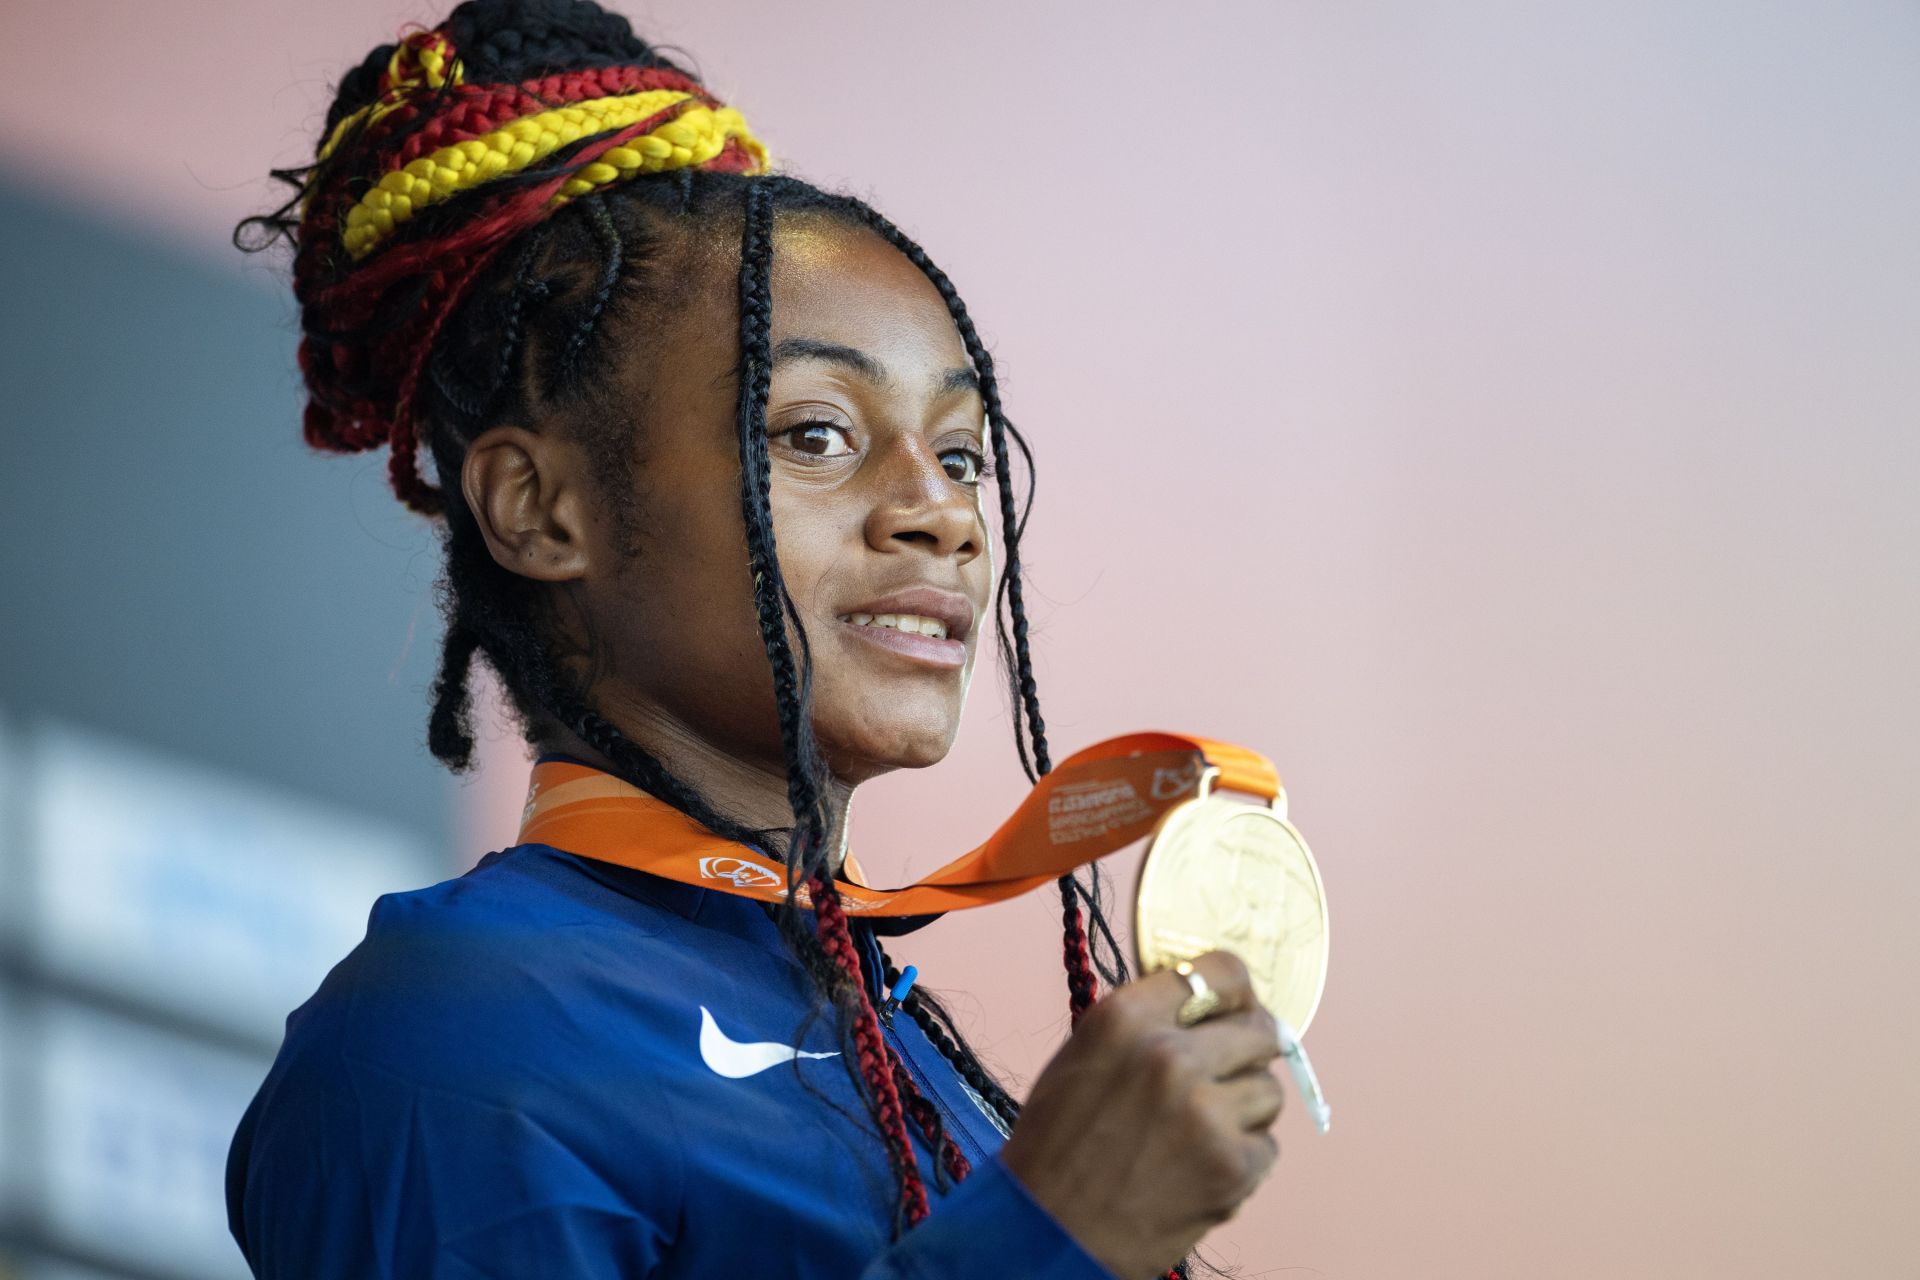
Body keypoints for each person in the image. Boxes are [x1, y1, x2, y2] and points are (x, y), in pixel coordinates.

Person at [225, 2, 1289, 1276]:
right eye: (816, 433)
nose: (943, 511)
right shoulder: (447, 1036)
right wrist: (1050, 1231)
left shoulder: (861, 1017)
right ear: (538, 506)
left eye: (960, 452)